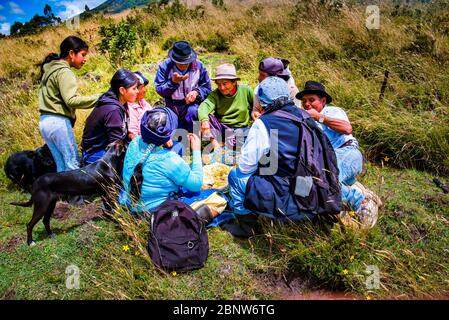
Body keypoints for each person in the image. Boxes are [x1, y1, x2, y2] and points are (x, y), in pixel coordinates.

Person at [225, 77, 323, 237]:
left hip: (287, 201)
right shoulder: (306, 117)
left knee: (236, 176)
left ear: (263, 102)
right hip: (310, 193)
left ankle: (246, 227)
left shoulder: (264, 123)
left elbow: (245, 167)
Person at [296, 80, 365, 213]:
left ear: (323, 101)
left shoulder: (331, 111)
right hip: (326, 161)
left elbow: (347, 128)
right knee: (302, 187)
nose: (307, 103)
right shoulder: (305, 121)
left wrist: (319, 117)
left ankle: (360, 201)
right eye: (304, 101)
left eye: (312, 100)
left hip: (346, 152)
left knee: (322, 181)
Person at [119, 107, 203, 213]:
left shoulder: (134, 142)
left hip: (132, 203)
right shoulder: (169, 159)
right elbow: (196, 184)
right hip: (157, 212)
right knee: (212, 196)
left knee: (179, 147)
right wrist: (196, 150)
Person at [38, 35, 100, 173]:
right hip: (58, 123)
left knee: (61, 165)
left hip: (44, 122)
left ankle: (62, 194)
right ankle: (77, 195)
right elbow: (71, 100)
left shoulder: (50, 70)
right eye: (83, 55)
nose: (85, 59)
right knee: (72, 163)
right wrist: (99, 98)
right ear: (71, 53)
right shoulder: (64, 72)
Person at [81, 69, 139, 165]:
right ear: (122, 90)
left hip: (101, 149)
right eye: (134, 88)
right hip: (95, 155)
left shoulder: (118, 103)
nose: (137, 91)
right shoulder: (113, 110)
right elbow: (116, 146)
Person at [198, 63, 254, 163]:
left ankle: (226, 146)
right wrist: (204, 121)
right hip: (222, 128)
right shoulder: (215, 94)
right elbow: (204, 106)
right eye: (219, 84)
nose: (222, 88)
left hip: (240, 129)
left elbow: (257, 107)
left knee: (236, 148)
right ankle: (216, 145)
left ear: (234, 82)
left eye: (225, 83)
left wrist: (255, 113)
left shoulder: (246, 91)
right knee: (205, 117)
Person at [154, 40, 211, 132]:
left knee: (193, 114)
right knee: (173, 129)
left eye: (186, 61)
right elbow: (159, 89)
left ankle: (195, 141)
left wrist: (196, 92)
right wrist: (172, 83)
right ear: (173, 59)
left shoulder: (199, 66)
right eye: (180, 62)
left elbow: (207, 89)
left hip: (193, 105)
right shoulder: (165, 66)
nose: (183, 65)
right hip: (172, 105)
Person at [128, 71, 153, 140]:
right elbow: (132, 134)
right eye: (142, 87)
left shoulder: (143, 102)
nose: (144, 90)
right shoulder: (130, 108)